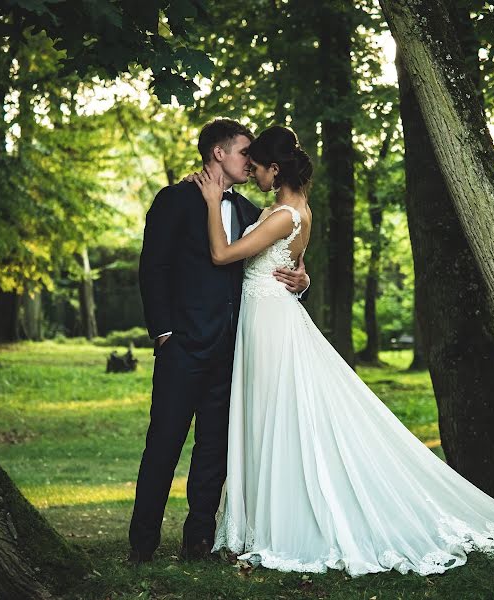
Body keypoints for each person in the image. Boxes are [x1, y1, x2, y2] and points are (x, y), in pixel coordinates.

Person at [191, 125, 494, 576]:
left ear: (275, 169)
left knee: (277, 417)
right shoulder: (296, 212)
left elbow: (222, 255)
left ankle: (281, 523)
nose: (251, 173)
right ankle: (263, 519)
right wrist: (303, 280)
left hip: (270, 323)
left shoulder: (283, 215)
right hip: (267, 317)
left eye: (256, 167)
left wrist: (212, 202)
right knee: (272, 415)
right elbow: (293, 266)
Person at [128, 119, 311, 565]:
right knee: (164, 443)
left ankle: (199, 540)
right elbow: (154, 268)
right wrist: (164, 332)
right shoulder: (174, 200)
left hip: (235, 350)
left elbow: (276, 260)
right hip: (183, 345)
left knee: (215, 448)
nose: (252, 162)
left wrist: (303, 279)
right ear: (218, 154)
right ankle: (143, 543)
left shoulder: (252, 212)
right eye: (244, 152)